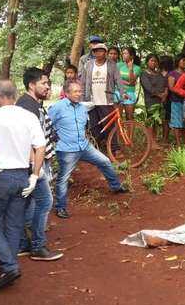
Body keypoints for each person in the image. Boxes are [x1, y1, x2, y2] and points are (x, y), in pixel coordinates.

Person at [0, 80, 46, 291]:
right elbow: (40, 145)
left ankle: (9, 265)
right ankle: (8, 266)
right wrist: (34, 175)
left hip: (1, 175)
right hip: (22, 176)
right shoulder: (28, 116)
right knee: (14, 224)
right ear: (15, 95)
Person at [48, 80, 129, 219]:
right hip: (67, 150)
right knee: (63, 178)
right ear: (67, 93)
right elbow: (48, 123)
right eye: (75, 91)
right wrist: (55, 136)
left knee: (105, 161)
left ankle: (116, 186)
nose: (79, 94)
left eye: (80, 91)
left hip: (84, 146)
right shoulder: (58, 107)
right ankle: (60, 207)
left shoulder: (82, 108)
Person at [15, 69, 63, 262]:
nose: (48, 86)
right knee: (45, 201)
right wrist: (36, 169)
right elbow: (27, 140)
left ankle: (23, 244)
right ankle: (38, 246)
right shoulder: (27, 106)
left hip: (34, 163)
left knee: (29, 203)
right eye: (44, 83)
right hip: (33, 164)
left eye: (48, 83)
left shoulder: (33, 104)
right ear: (31, 85)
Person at [79, 43, 125, 150]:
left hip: (106, 100)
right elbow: (83, 81)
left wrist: (123, 93)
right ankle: (98, 146)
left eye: (100, 50)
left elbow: (118, 80)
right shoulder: (88, 64)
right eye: (95, 51)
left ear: (105, 52)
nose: (98, 53)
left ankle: (114, 148)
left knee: (109, 126)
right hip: (91, 100)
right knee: (94, 125)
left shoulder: (112, 65)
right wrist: (82, 96)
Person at [139, 54, 167, 150]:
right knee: (151, 121)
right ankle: (150, 142)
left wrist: (165, 94)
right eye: (151, 60)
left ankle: (153, 140)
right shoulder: (144, 74)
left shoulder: (159, 74)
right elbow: (148, 88)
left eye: (155, 61)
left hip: (160, 101)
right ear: (147, 62)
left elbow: (165, 84)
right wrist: (159, 95)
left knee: (156, 122)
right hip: (150, 100)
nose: (153, 63)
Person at [167, 54, 185, 146]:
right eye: (183, 60)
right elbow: (171, 88)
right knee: (176, 122)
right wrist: (183, 93)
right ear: (178, 61)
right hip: (176, 101)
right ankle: (178, 143)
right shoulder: (172, 74)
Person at [116, 47, 142, 120]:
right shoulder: (119, 65)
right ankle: (119, 132)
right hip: (118, 92)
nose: (123, 55)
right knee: (118, 118)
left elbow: (131, 82)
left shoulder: (137, 68)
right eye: (123, 53)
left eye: (126, 53)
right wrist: (125, 82)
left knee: (129, 117)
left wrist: (130, 69)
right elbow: (115, 79)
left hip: (130, 93)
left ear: (132, 56)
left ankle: (129, 132)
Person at [158, 55, 174, 144]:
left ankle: (166, 137)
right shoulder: (158, 72)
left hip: (170, 99)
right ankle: (162, 136)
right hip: (158, 97)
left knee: (167, 119)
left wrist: (165, 94)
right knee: (160, 119)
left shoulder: (171, 73)